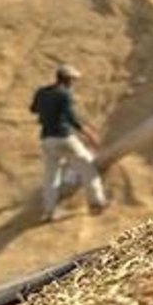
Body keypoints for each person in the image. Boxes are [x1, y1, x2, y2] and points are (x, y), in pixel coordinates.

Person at [30, 64, 108, 222]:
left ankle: (50, 211)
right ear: (68, 80)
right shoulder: (64, 94)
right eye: (73, 80)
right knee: (87, 168)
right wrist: (89, 134)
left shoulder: (42, 92)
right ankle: (97, 203)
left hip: (47, 138)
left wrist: (48, 111)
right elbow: (72, 119)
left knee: (51, 177)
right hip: (64, 137)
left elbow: (33, 109)